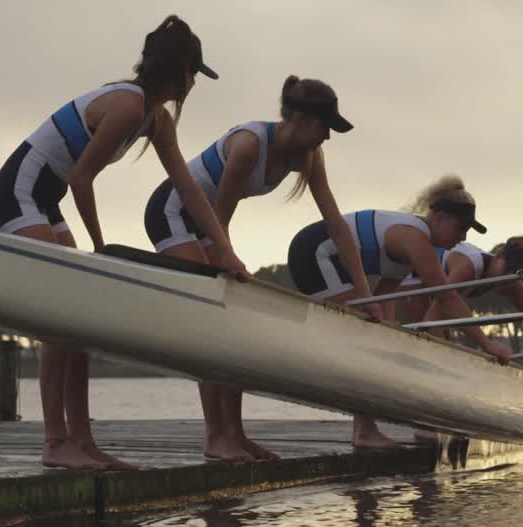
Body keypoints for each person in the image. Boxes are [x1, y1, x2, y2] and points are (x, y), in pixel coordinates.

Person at [0, 15, 245, 470]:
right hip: (17, 193)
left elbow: (187, 189)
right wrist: (99, 247)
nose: (194, 84)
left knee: (82, 318)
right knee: (60, 315)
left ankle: (82, 442)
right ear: (179, 73)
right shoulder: (126, 106)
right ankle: (55, 441)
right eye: (194, 74)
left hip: (45, 198)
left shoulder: (157, 119)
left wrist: (225, 251)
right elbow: (82, 178)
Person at [144, 76, 377, 461]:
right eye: (325, 127)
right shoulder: (249, 144)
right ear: (300, 119)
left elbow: (337, 225)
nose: (327, 137)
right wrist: (228, 261)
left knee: (234, 326)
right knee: (213, 322)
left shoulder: (310, 156)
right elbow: (221, 217)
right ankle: (215, 436)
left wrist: (365, 295)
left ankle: (235, 435)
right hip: (173, 213)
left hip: (209, 224)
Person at [286, 175, 511, 449]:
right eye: (461, 227)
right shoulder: (416, 240)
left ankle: (367, 428)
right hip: (314, 253)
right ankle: (364, 431)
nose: (463, 237)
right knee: (364, 342)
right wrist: (487, 344)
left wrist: (387, 335)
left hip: (326, 257)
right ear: (439, 218)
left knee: (373, 341)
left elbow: (385, 295)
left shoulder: (415, 241)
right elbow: (448, 297)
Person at [400, 235, 523, 371]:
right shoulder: (468, 266)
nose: (509, 277)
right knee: (429, 330)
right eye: (507, 269)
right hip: (414, 269)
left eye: (515, 273)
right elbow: (431, 319)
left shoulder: (513, 282)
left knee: (442, 334)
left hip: (439, 283)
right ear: (498, 257)